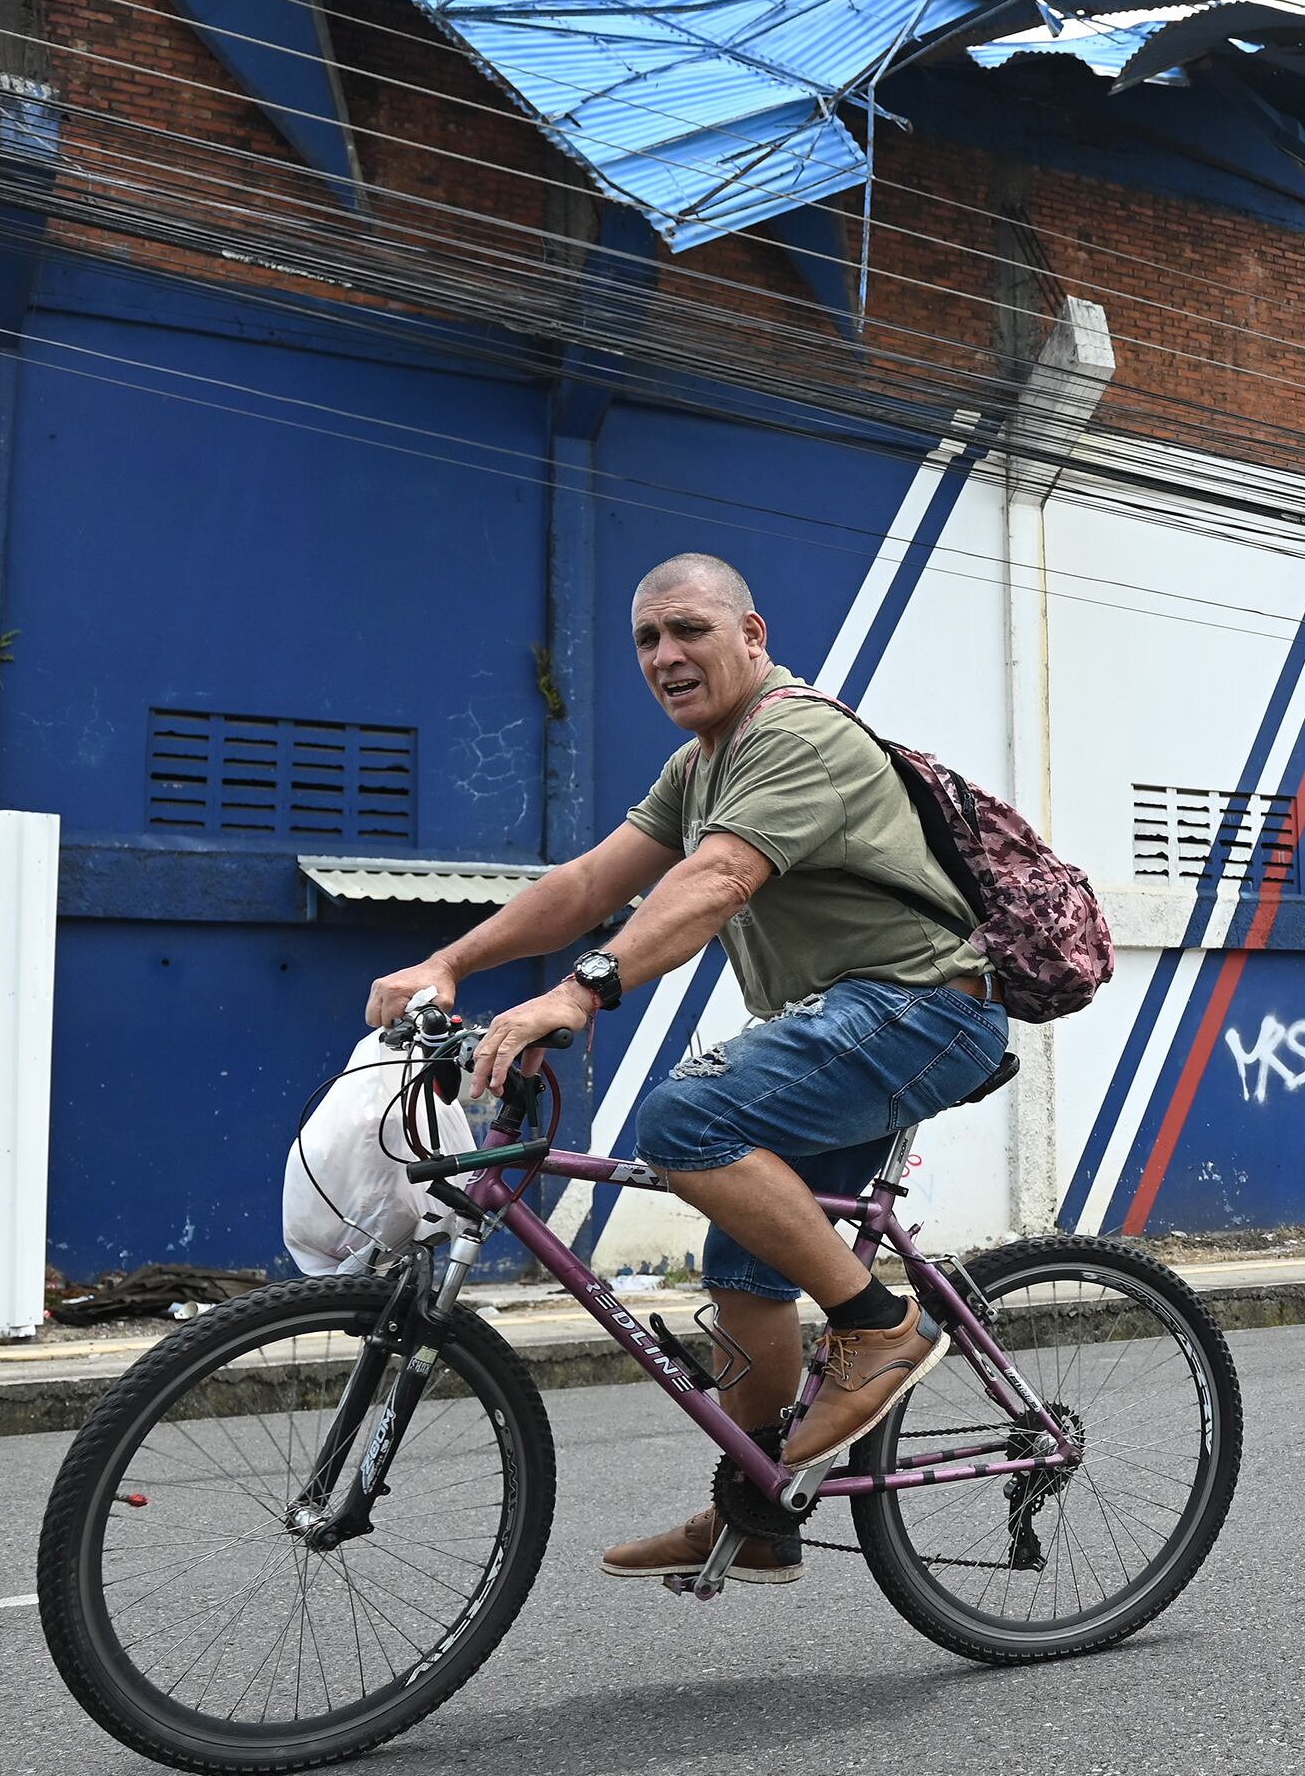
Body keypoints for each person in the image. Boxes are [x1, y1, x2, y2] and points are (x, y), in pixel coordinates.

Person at [367, 552, 1008, 1583]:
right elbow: (585, 884)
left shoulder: (796, 734)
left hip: (922, 1008)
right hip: (844, 1020)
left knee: (683, 1121)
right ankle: (759, 1513)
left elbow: (715, 880)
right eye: (647, 641)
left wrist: (577, 994)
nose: (665, 655)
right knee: (744, 1271)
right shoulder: (702, 761)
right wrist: (448, 962)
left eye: (690, 631)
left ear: (752, 637)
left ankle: (879, 1327)